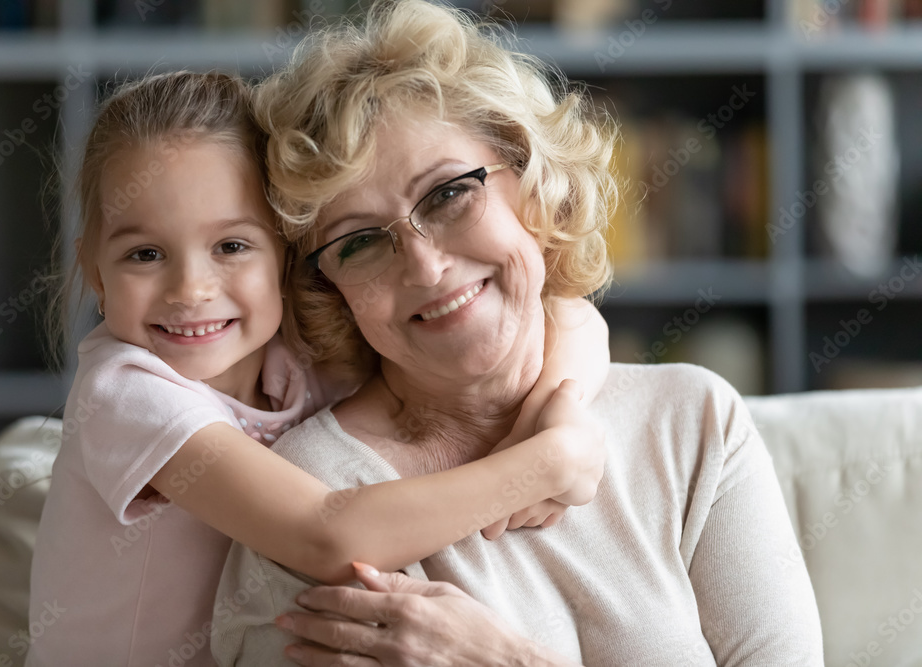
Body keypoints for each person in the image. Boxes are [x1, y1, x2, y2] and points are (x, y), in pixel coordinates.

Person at [211, 1, 825, 664]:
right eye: (360, 242)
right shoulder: (305, 499)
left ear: (531, 181)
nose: (426, 264)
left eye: (448, 194)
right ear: (327, 288)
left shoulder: (694, 423)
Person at [26, 71, 610, 666]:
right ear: (95, 270)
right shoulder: (125, 394)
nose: (191, 289)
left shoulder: (294, 351)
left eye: (231, 246)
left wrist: (563, 409)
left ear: (285, 255)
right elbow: (324, 537)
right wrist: (548, 462)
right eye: (144, 254)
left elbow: (569, 316)